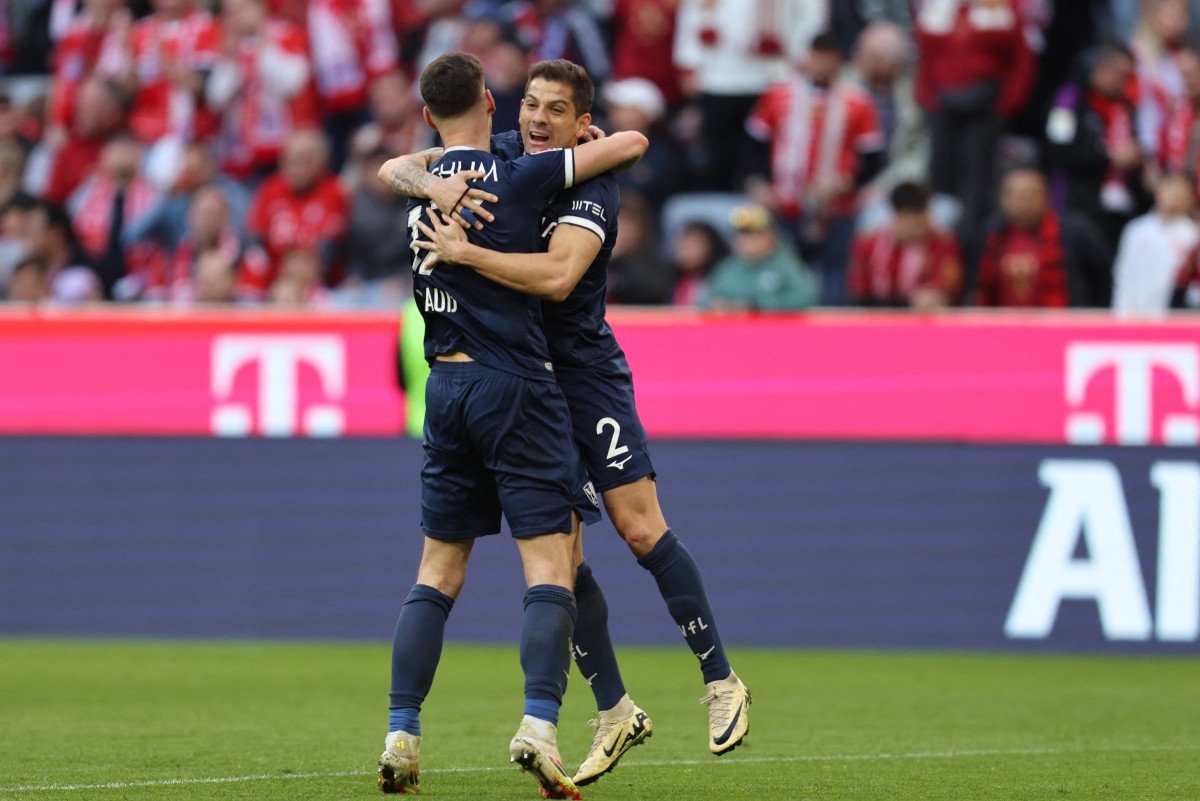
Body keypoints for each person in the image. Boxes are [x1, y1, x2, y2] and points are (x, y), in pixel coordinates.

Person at [392, 57, 752, 786]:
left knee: (641, 527)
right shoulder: (501, 163)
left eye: (555, 109)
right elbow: (398, 163)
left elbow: (558, 276)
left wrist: (462, 250)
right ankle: (615, 708)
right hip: (527, 381)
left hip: (585, 380)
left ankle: (721, 679)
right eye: (528, 103)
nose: (535, 118)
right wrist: (430, 179)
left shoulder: (588, 184)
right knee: (566, 553)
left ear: (581, 125)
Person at [375, 52, 649, 799]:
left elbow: (389, 169)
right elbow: (627, 146)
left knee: (436, 570)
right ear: (492, 105)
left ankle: (401, 733)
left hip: (446, 390)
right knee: (550, 562)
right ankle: (537, 723)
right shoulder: (520, 175)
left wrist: (427, 178)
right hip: (518, 387)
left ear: (429, 117)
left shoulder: (414, 195)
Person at [1044, 42, 1146, 251]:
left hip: (1118, 208)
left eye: (1129, 76)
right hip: (1076, 204)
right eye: (1121, 74)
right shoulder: (1068, 100)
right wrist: (1109, 156)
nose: (1125, 82)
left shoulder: (1125, 108)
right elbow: (1058, 149)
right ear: (1101, 68)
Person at [974, 167, 1114, 308]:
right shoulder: (991, 234)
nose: (1023, 204)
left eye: (1030, 196)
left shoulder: (1073, 231)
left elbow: (1103, 273)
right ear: (1003, 199)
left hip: (1061, 324)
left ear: (1046, 197)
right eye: (1016, 196)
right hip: (1003, 324)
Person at [847, 181, 963, 309]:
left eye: (925, 219)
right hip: (878, 313)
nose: (922, 227)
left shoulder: (943, 243)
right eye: (916, 223)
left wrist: (935, 295)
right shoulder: (869, 244)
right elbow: (858, 289)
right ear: (898, 218)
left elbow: (948, 286)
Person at [701, 203, 820, 311]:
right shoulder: (727, 267)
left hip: (772, 331)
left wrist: (758, 305)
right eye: (742, 233)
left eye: (754, 233)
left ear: (770, 235)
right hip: (734, 331)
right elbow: (702, 302)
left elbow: (807, 298)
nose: (747, 239)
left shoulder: (785, 263)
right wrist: (716, 305)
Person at [1112, 172, 1200, 315]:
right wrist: (1121, 309)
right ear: (1158, 190)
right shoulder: (1136, 229)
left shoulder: (1192, 235)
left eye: (1182, 192)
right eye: (1171, 188)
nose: (1175, 196)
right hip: (1133, 314)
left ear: (1191, 199)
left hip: (1173, 316)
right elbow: (1122, 273)